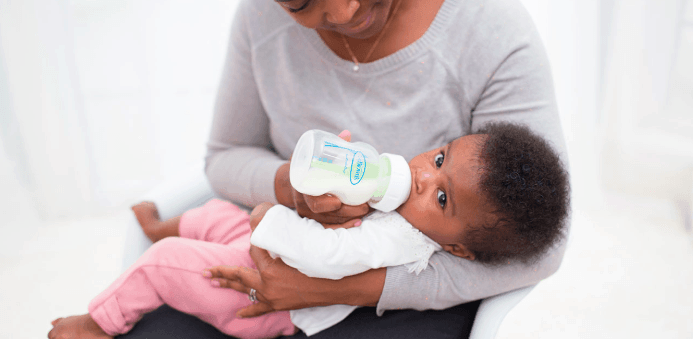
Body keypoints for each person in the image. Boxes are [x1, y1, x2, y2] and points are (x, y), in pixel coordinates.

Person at [47, 122, 569, 339]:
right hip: (267, 249)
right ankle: (162, 225)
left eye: (441, 196)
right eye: (438, 158)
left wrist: (263, 219)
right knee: (209, 216)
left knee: (167, 264)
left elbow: (322, 256)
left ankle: (98, 323)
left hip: (262, 297)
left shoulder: (397, 239)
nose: (422, 176)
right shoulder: (404, 205)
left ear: (455, 246)